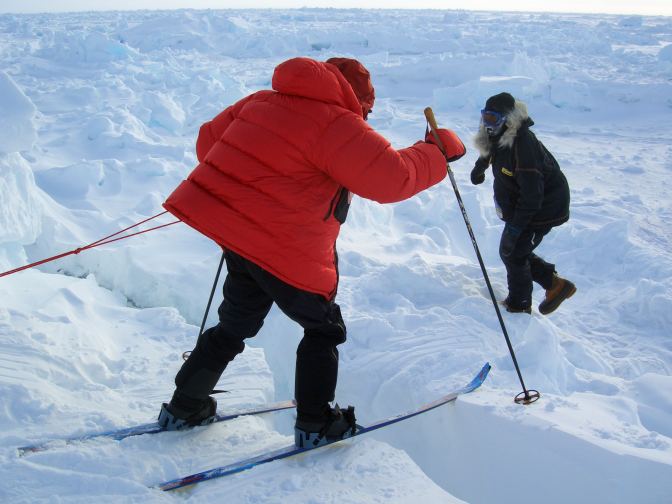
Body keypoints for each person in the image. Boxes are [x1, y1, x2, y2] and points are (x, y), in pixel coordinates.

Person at [157, 56, 466, 447]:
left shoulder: (261, 101)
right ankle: (317, 425)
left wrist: (267, 174)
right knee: (323, 328)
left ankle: (184, 407)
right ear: (356, 98)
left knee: (235, 323)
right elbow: (393, 178)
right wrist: (438, 151)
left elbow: (207, 144)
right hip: (287, 248)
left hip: (241, 239)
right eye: (366, 110)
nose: (365, 117)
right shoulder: (337, 123)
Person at [470, 92, 575, 315]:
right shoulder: (498, 133)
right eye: (485, 118)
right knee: (513, 250)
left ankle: (519, 305)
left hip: (544, 206)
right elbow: (491, 149)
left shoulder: (523, 144)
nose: (488, 125)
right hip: (522, 203)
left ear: (508, 119)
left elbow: (532, 195)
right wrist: (480, 168)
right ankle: (555, 285)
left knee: (514, 252)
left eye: (493, 119)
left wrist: (517, 227)